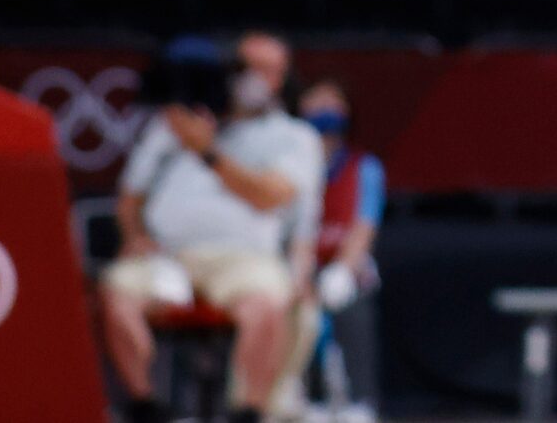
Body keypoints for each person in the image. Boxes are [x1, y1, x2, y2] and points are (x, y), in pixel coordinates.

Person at [100, 32, 327, 423]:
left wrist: (207, 151)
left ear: (282, 79)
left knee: (267, 304)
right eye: (247, 67)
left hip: (245, 259)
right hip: (168, 257)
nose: (256, 78)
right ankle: (145, 406)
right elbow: (130, 197)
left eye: (269, 71)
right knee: (116, 291)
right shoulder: (175, 124)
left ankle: (248, 411)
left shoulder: (295, 137)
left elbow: (270, 196)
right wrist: (135, 235)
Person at [297, 79, 388, 423]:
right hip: (298, 264)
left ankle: (360, 401)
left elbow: (364, 225)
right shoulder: (287, 164)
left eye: (332, 103)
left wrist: (343, 270)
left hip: (342, 266)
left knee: (352, 294)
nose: (324, 111)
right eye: (315, 101)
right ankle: (305, 396)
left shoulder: (364, 167)